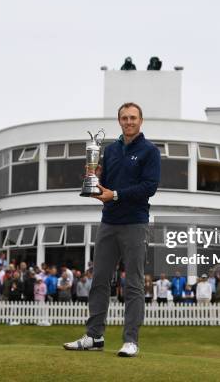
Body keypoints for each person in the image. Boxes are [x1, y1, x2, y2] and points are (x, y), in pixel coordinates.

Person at [64, 102, 160, 358]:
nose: (128, 122)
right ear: (119, 121)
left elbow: (149, 187)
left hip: (135, 223)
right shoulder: (111, 150)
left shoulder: (150, 151)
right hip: (109, 222)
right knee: (99, 281)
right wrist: (93, 181)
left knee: (134, 285)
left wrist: (114, 194)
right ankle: (94, 336)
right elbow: (103, 184)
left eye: (133, 118)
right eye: (124, 118)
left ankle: (131, 340)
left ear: (141, 120)